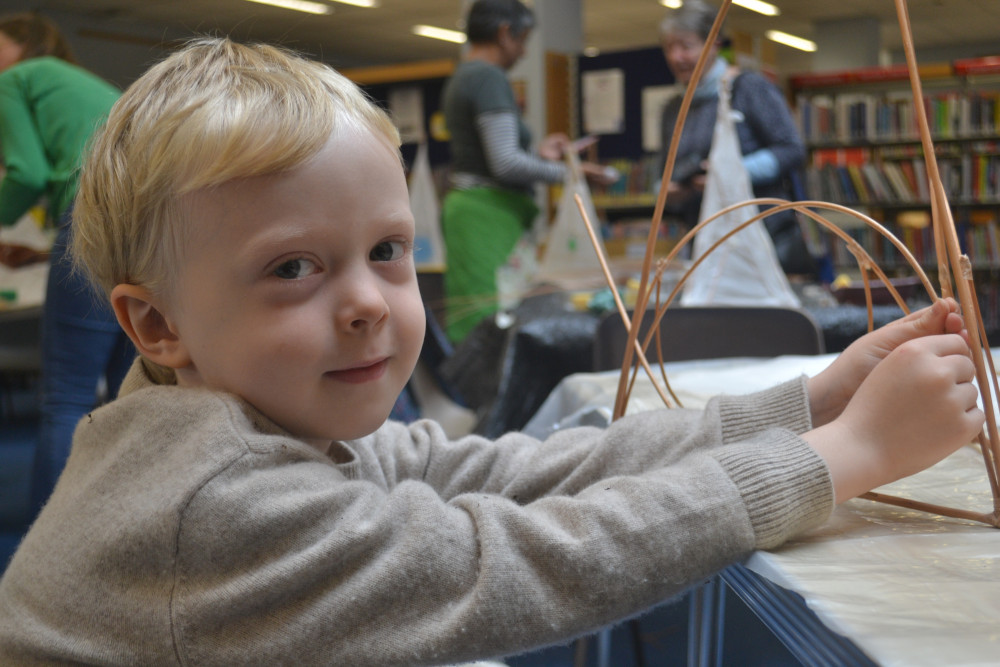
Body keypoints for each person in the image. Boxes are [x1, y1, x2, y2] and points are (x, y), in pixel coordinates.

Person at [0, 37, 983, 665]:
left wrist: (810, 404)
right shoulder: (208, 503)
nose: (367, 306)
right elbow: (515, 560)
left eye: (387, 253)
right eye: (294, 267)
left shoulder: (244, 415)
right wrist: (844, 459)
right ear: (156, 324)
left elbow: (521, 470)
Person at [0, 12, 135, 513]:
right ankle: (124, 517)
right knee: (131, 396)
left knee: (67, 399)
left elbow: (27, 174)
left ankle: (49, 539)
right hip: (145, 224)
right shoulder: (74, 83)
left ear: (20, 48)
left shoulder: (15, 79)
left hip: (91, 215)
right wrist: (40, 252)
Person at [440, 0, 610, 343]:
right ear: (505, 34)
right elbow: (504, 163)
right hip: (488, 215)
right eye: (522, 41)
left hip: (472, 210)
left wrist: (538, 154)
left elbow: (492, 157)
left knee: (478, 314)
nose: (522, 52)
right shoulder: (488, 78)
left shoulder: (463, 76)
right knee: (493, 320)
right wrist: (568, 173)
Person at [657, 0, 815, 276]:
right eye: (669, 47)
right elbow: (666, 173)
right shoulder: (673, 109)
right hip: (707, 246)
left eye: (686, 46)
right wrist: (672, 191)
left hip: (762, 241)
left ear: (714, 44)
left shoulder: (749, 88)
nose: (675, 57)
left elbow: (791, 149)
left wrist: (727, 173)